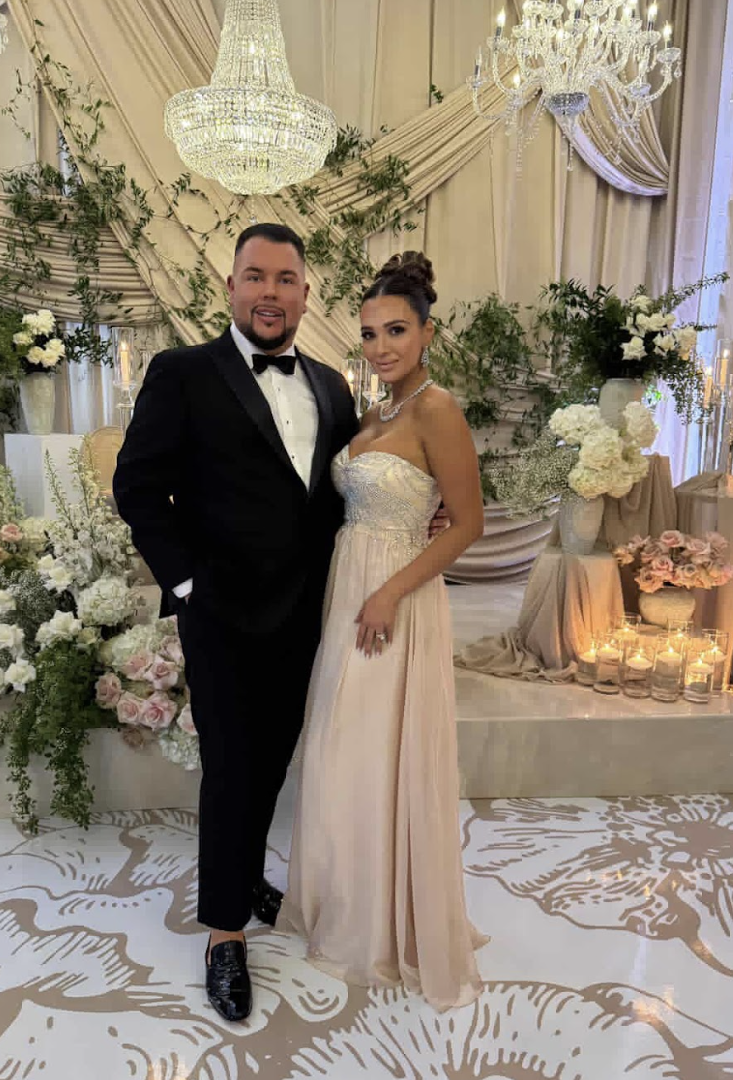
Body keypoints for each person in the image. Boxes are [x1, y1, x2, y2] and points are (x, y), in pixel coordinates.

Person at [113, 223, 360, 1022]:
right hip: (219, 611)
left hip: (308, 610)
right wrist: (186, 583)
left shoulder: (331, 384)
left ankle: (245, 866)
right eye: (255, 276)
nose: (270, 293)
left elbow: (347, 488)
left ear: (305, 294)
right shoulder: (183, 372)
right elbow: (138, 486)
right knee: (230, 767)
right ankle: (225, 932)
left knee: (273, 759)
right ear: (229, 287)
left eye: (285, 279)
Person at [279, 251, 488, 1011]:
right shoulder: (377, 413)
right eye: (368, 335)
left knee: (375, 746)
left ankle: (382, 924)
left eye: (396, 330)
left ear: (427, 332)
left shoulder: (438, 410)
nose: (381, 347)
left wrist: (390, 593)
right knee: (340, 745)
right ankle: (341, 901)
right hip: (350, 586)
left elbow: (467, 525)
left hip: (394, 601)